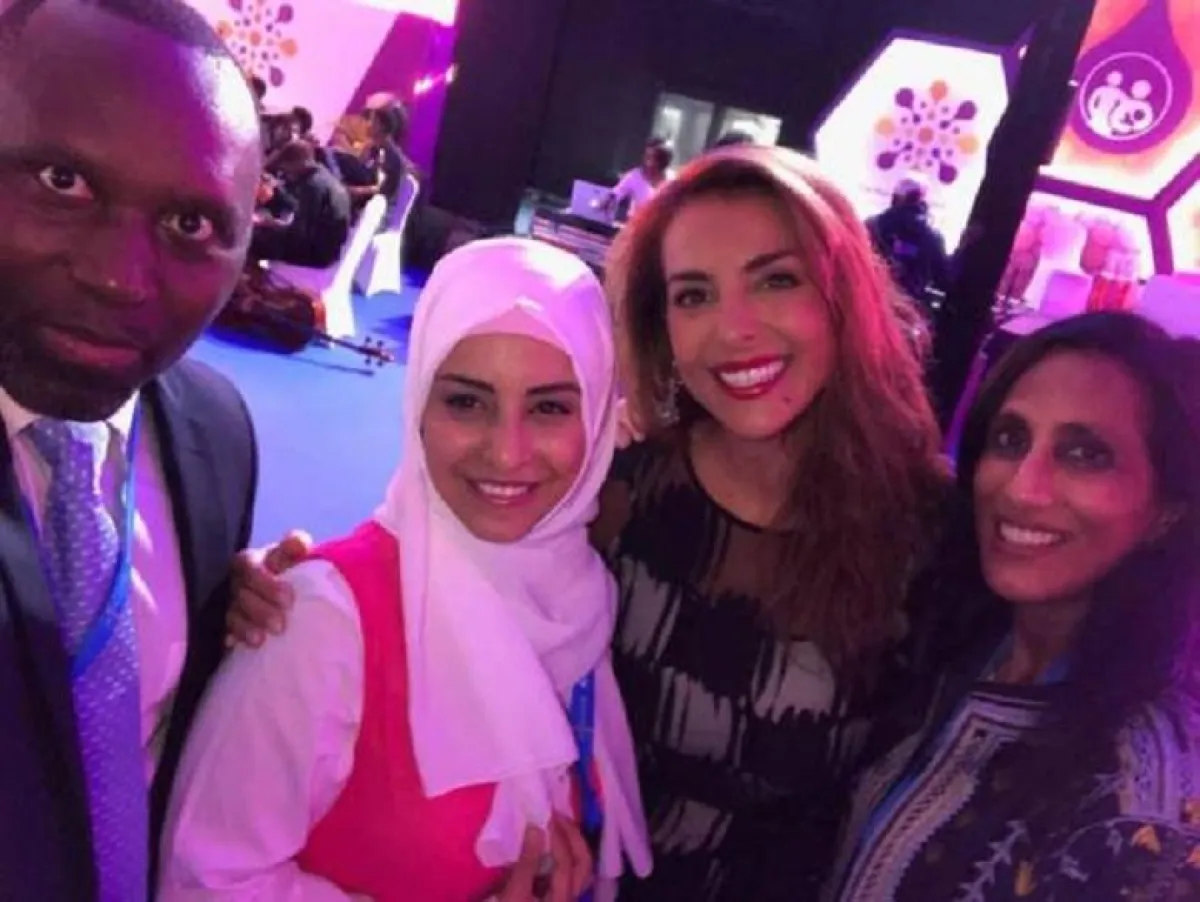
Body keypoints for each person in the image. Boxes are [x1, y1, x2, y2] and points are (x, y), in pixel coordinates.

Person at [231, 146, 949, 901]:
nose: (735, 328)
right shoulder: (613, 489)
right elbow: (445, 553)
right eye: (694, 294)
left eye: (776, 279)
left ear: (843, 292)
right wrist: (276, 592)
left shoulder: (929, 539)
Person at [160, 238, 652, 901]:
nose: (507, 453)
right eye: (466, 402)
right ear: (417, 403)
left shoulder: (580, 599)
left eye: (550, 407)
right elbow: (203, 883)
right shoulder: (321, 620)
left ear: (595, 419)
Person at [0, 0, 263, 900]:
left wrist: (271, 626)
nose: (118, 277)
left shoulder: (217, 438)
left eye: (191, 226)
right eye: (63, 181)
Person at [829, 312, 1200, 901]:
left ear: (1166, 512)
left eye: (1085, 454)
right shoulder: (955, 638)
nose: (1023, 488)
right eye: (1009, 439)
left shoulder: (1150, 802)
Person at [250, 140, 351, 268]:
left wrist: (269, 223)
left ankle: (252, 276)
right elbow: (299, 208)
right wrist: (276, 190)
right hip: (329, 248)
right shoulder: (322, 174)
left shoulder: (313, 186)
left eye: (287, 169)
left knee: (254, 239)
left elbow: (298, 234)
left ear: (298, 163)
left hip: (318, 254)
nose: (287, 173)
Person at [866, 176, 951, 304]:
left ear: (895, 198)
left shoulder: (871, 225)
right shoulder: (932, 236)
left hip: (869, 299)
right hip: (906, 307)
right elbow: (943, 279)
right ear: (922, 201)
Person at [604, 139, 674, 220]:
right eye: (646, 156)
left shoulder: (673, 181)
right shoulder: (635, 176)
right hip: (636, 224)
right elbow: (616, 193)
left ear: (663, 162)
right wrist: (609, 200)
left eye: (651, 158)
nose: (646, 161)